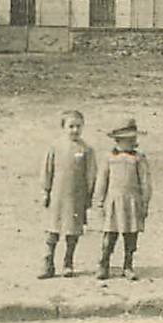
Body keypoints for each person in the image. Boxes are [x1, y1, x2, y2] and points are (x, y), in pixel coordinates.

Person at [39, 110, 98, 279]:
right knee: (53, 229)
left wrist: (89, 195)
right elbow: (47, 170)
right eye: (70, 126)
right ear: (63, 127)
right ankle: (48, 263)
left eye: (78, 126)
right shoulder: (55, 147)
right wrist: (45, 191)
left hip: (76, 197)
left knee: (72, 230)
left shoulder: (87, 150)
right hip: (57, 195)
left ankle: (68, 261)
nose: (74, 130)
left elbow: (91, 174)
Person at [93, 118, 152, 280]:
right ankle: (104, 264)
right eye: (128, 139)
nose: (133, 142)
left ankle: (128, 265)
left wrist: (145, 202)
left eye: (134, 139)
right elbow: (102, 180)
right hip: (113, 202)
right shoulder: (109, 158)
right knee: (109, 236)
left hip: (132, 202)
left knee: (131, 236)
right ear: (118, 140)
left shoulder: (139, 158)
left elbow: (145, 182)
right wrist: (99, 202)